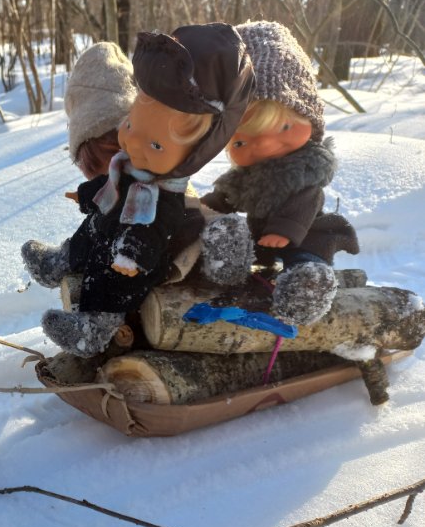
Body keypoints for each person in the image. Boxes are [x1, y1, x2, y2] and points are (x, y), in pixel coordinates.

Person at [32, 23, 255, 357]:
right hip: (111, 225)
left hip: (139, 256)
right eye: (131, 126)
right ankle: (59, 262)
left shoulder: (168, 194)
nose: (130, 144)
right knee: (89, 234)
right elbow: (110, 183)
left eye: (152, 142)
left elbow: (166, 225)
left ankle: (94, 328)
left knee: (111, 280)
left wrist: (136, 251)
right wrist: (85, 194)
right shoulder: (129, 167)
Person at [202, 20, 360, 325]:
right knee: (224, 229)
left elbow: (307, 201)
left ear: (309, 117)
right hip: (259, 236)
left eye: (283, 128)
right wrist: (206, 207)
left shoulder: (305, 169)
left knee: (306, 258)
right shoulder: (246, 177)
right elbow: (226, 197)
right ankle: (228, 264)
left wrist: (284, 230)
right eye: (242, 140)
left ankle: (307, 286)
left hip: (306, 233)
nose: (265, 145)